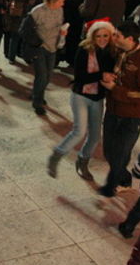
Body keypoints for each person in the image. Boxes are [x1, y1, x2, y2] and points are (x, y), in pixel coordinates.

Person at [47, 20, 116, 180]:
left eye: (106, 36)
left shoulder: (111, 52)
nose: (102, 39)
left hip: (98, 98)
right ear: (92, 36)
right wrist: (101, 75)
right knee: (79, 131)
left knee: (95, 136)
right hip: (81, 96)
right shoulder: (84, 49)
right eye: (98, 36)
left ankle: (82, 162)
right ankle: (56, 155)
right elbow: (80, 78)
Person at [98, 21, 140, 197]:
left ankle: (110, 187)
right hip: (113, 110)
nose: (113, 38)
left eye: (117, 35)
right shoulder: (119, 52)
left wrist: (114, 89)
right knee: (109, 151)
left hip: (132, 115)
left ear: (130, 39)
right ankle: (124, 179)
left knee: (120, 153)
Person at [24, 0, 68, 115]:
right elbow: (25, 30)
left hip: (53, 47)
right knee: (42, 76)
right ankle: (37, 102)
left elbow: (59, 25)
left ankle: (36, 93)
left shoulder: (60, 10)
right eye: (61, 1)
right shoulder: (37, 11)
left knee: (48, 76)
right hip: (40, 48)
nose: (63, 3)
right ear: (54, 1)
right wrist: (36, 42)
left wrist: (62, 32)